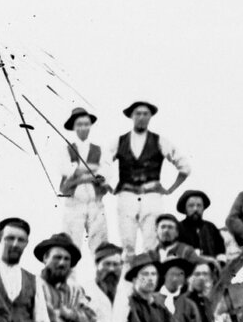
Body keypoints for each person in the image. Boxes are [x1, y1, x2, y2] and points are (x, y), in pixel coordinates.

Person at [110, 100, 190, 255]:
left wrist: (170, 189)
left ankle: (151, 277)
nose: (141, 117)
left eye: (145, 114)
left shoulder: (160, 141)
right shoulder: (119, 141)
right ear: (131, 116)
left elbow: (185, 167)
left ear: (150, 117)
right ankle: (129, 277)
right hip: (127, 197)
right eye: (138, 114)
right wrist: (107, 184)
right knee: (127, 244)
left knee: (152, 243)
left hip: (151, 197)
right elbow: (103, 164)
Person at [57, 107, 109, 255]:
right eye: (79, 124)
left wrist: (94, 174)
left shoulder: (99, 149)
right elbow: (64, 169)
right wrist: (86, 172)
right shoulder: (67, 149)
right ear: (74, 127)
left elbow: (105, 170)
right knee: (71, 243)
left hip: (95, 200)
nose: (83, 128)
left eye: (86, 124)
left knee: (99, 242)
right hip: (74, 201)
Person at [175, 189, 225, 260]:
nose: (195, 209)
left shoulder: (211, 227)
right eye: (191, 205)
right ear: (185, 209)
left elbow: (221, 250)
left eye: (199, 205)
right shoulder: (177, 229)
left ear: (203, 208)